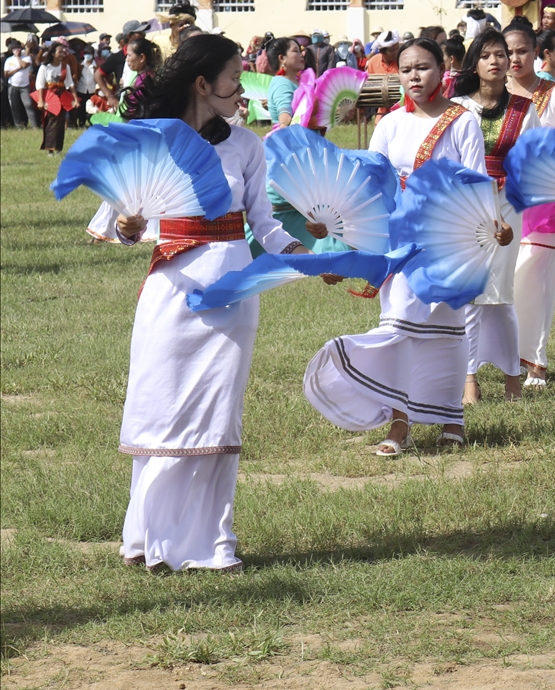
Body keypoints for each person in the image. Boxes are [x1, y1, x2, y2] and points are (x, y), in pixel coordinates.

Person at [109, 34, 306, 571]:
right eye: (234, 79)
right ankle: (146, 538)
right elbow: (123, 222)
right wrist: (129, 224)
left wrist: (306, 256)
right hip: (169, 292)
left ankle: (211, 545)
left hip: (232, 293)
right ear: (203, 84)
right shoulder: (151, 142)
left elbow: (265, 224)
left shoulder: (246, 146)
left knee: (217, 412)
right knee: (161, 406)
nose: (243, 90)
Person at [304, 38, 484, 455]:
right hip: (398, 243)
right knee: (399, 328)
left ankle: (452, 419)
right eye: (406, 70)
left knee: (448, 333)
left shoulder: (463, 121)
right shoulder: (388, 124)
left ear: (443, 69)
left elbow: (476, 183)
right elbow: (367, 188)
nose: (414, 76)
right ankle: (399, 425)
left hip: (448, 239)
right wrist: (335, 231)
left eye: (423, 67)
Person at [501, 22, 555, 388]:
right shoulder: (490, 96)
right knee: (503, 279)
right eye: (508, 52)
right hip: (499, 199)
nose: (515, 58)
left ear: (536, 53)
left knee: (534, 278)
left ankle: (535, 361)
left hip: (545, 198)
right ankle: (502, 356)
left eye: (522, 50)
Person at [449, 30, 525, 405]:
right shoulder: (457, 107)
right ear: (474, 63)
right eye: (486, 55)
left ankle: (513, 377)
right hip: (464, 208)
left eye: (501, 55)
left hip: (506, 209)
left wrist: (505, 185)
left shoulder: (525, 109)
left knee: (499, 294)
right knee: (470, 294)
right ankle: (469, 380)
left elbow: (536, 163)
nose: (495, 61)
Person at [33, 44, 75, 153]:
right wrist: (41, 101)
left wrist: (74, 99)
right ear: (52, 53)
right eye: (60, 52)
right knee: (50, 122)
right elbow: (40, 85)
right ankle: (50, 149)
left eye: (63, 52)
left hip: (61, 97)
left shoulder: (66, 67)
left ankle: (58, 148)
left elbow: (70, 84)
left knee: (60, 123)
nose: (62, 54)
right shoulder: (44, 67)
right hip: (49, 97)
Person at [5, 38, 36, 128]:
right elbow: (6, 74)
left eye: (18, 48)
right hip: (12, 85)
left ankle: (34, 125)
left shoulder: (26, 58)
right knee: (14, 106)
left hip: (24, 86)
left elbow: (24, 65)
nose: (16, 51)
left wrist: (18, 57)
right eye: (14, 49)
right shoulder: (9, 60)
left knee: (28, 104)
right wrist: (17, 69)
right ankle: (18, 126)